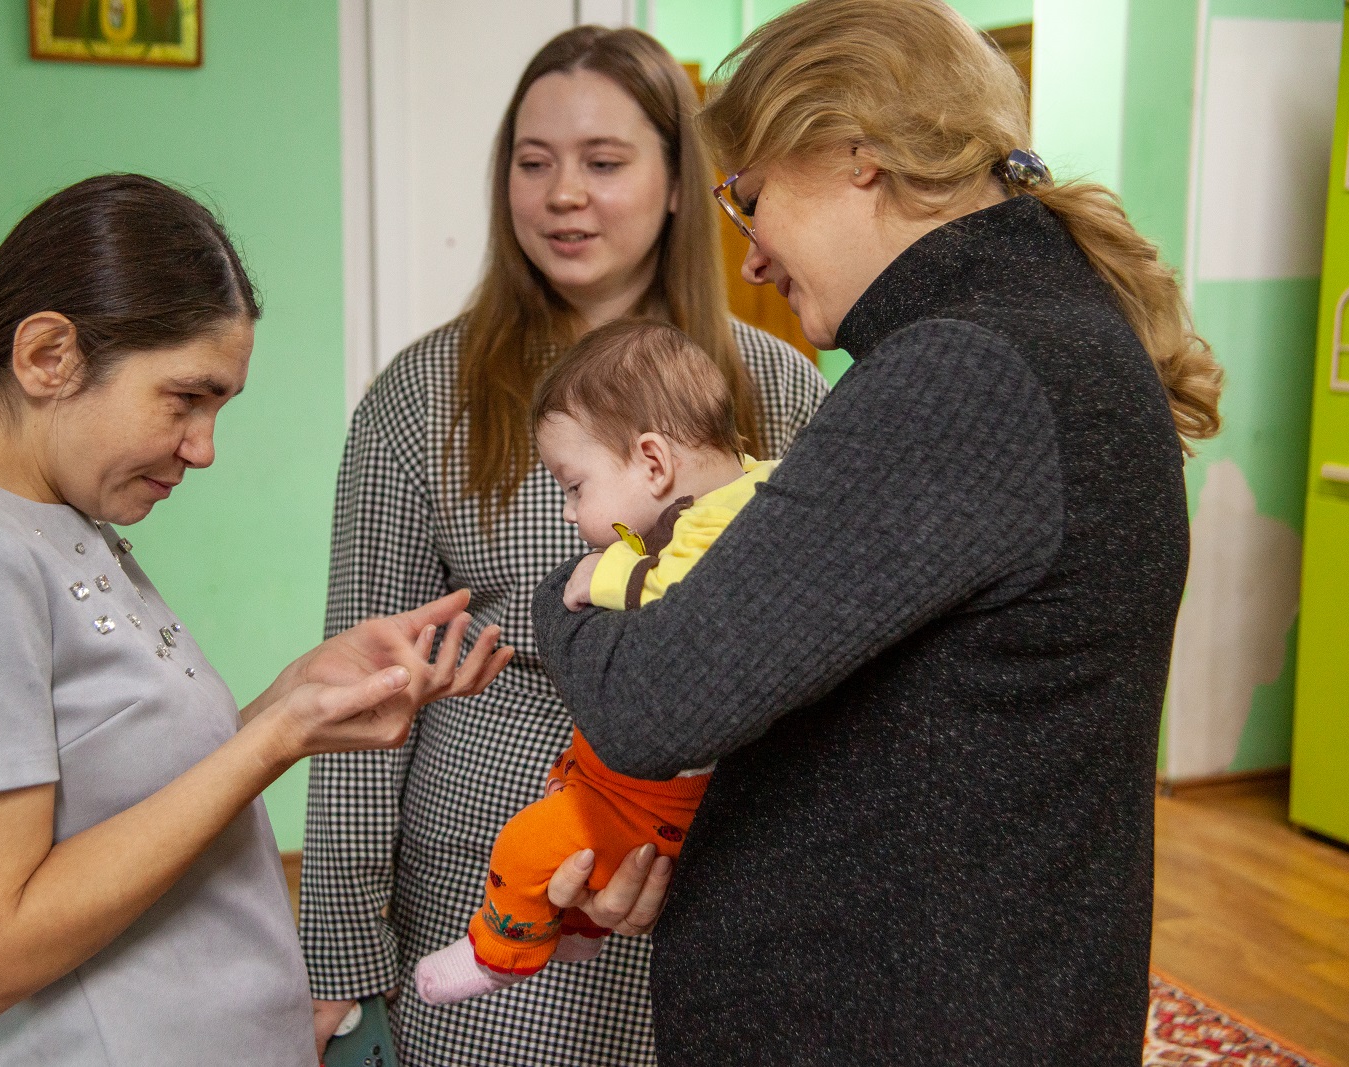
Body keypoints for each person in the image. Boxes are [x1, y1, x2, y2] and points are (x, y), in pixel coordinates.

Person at [531, 1, 1226, 1064]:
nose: (750, 258)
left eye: (749, 199)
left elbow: (651, 698)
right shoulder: (1044, 331)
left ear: (856, 155)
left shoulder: (962, 371)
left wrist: (577, 583)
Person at [0, 174, 511, 1067]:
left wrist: (290, 699)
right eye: (186, 398)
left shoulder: (36, 514)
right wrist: (276, 739)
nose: (204, 447)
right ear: (48, 355)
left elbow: (112, 799)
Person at [300, 24, 826, 1067]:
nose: (561, 195)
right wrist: (341, 951)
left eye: (602, 161)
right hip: (495, 869)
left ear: (680, 183)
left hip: (712, 856)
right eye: (531, 163)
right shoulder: (421, 396)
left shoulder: (776, 386)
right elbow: (360, 684)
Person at [414, 320, 779, 1006]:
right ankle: (574, 926)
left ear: (651, 462)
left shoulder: (712, 527)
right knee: (572, 812)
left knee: (526, 846)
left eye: (573, 486)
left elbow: (692, 593)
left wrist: (600, 574)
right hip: (643, 783)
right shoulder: (761, 485)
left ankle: (501, 952)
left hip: (660, 794)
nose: (567, 510)